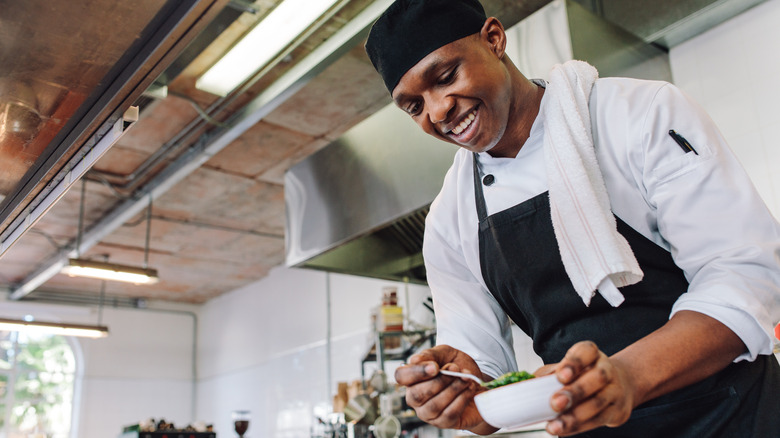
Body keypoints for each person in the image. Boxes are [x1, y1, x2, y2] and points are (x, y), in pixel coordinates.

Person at [364, 0, 780, 437]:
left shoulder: (639, 114)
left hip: (737, 417)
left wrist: (627, 376)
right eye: (413, 106)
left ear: (494, 39)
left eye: (446, 76)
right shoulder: (451, 219)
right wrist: (461, 393)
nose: (437, 111)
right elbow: (480, 364)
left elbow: (746, 276)